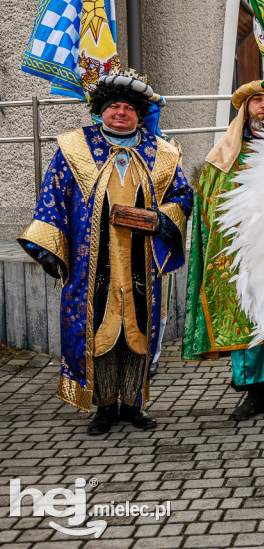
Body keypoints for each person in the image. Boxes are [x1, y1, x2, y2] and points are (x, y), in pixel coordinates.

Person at [18, 68, 192, 434]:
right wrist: (49, 247)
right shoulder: (75, 148)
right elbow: (53, 196)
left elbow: (182, 195)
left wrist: (161, 220)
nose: (121, 113)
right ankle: (104, 407)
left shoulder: (162, 152)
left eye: (129, 108)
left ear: (139, 114)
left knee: (138, 333)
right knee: (97, 333)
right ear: (101, 110)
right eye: (114, 106)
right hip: (91, 263)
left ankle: (133, 404)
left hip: (141, 262)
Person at [183, 79, 264, 420]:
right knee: (249, 317)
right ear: (244, 109)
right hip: (243, 255)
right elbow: (210, 206)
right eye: (257, 101)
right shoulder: (224, 158)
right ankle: (254, 394)